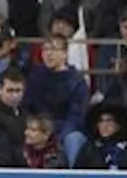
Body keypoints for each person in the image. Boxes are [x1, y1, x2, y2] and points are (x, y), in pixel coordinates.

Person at [25, 35, 90, 164]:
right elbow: (28, 106)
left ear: (64, 54)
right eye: (46, 50)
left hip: (65, 129)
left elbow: (76, 116)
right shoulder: (35, 76)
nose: (49, 54)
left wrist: (55, 133)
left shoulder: (76, 80)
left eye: (54, 49)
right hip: (38, 126)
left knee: (74, 138)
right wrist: (37, 128)